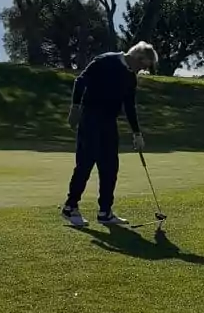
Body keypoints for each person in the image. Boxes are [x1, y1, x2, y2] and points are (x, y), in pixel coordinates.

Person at [61, 41, 158, 227]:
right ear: (136, 57)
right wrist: (75, 107)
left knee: (110, 167)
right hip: (90, 119)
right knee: (85, 164)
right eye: (143, 66)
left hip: (108, 122)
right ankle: (70, 207)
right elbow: (80, 81)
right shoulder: (106, 61)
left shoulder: (130, 78)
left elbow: (129, 106)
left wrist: (137, 133)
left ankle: (105, 212)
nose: (142, 70)